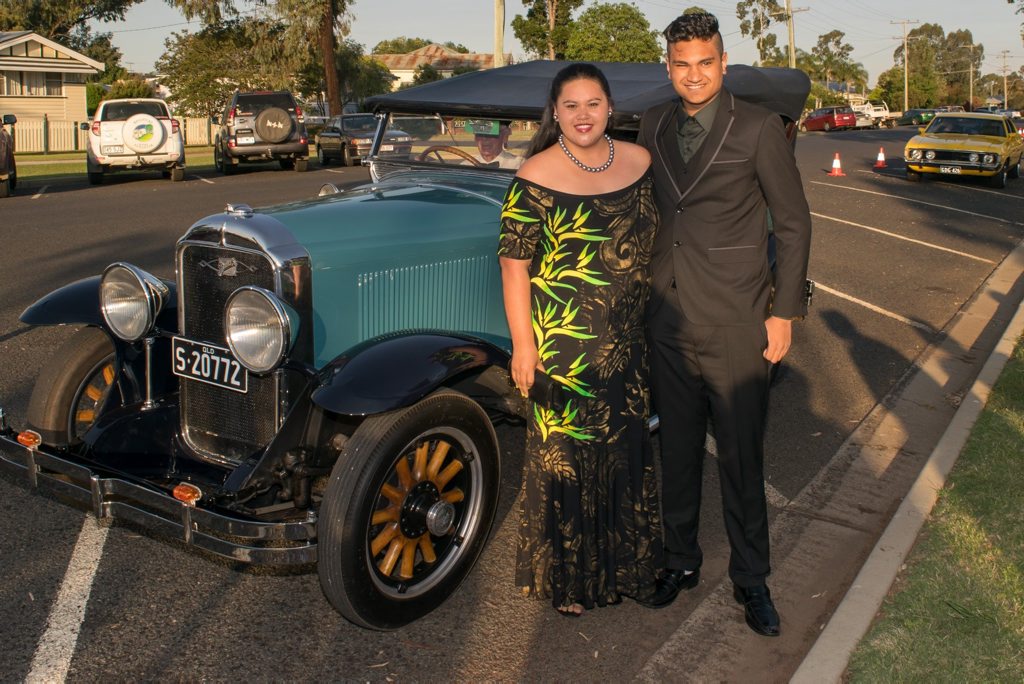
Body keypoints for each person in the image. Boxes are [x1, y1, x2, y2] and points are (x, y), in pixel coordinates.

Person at [636, 12, 812, 637]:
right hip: (668, 318)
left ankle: (752, 579)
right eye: (681, 64)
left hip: (739, 320)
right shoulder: (652, 123)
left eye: (704, 63)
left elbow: (792, 225)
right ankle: (680, 561)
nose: (693, 75)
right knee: (677, 450)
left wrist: (784, 313)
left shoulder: (760, 127)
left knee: (741, 457)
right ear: (669, 67)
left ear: (722, 62)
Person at [498, 63, 662, 617]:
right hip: (561, 347)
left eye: (593, 104)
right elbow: (514, 269)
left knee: (625, 454)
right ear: (556, 113)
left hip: (627, 346)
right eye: (571, 106)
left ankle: (627, 569)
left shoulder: (641, 163)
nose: (583, 115)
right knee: (565, 460)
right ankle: (571, 582)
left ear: (610, 108)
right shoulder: (534, 176)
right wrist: (524, 346)